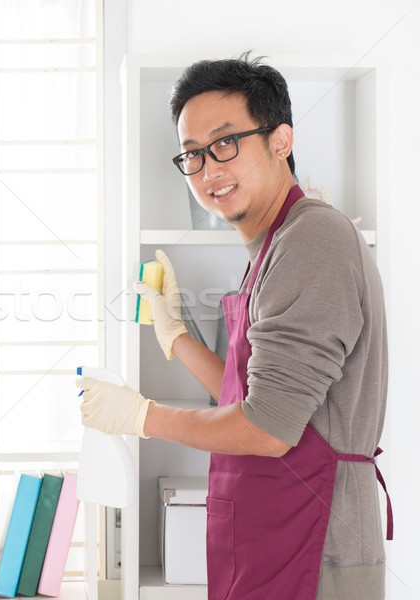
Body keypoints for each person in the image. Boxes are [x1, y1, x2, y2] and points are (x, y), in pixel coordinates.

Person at [76, 53, 392, 600]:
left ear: (280, 140)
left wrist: (142, 416)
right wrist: (176, 336)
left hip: (317, 549)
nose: (209, 170)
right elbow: (252, 394)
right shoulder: (272, 245)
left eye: (225, 144)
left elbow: (267, 428)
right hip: (269, 537)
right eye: (192, 155)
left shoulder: (313, 240)